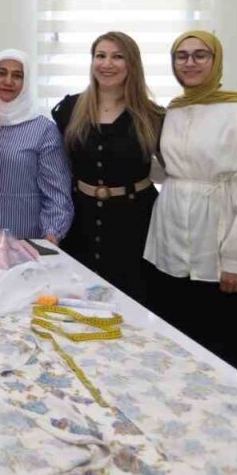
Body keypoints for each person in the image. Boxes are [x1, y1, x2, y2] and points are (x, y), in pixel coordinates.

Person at [144, 31, 237, 382]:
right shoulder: (173, 111)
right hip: (171, 247)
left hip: (220, 250)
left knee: (227, 356)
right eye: (181, 56)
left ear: (216, 61)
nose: (190, 63)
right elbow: (168, 169)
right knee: (177, 350)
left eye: (200, 55)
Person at [52, 31, 163, 305]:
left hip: (136, 222)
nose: (107, 64)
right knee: (79, 302)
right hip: (82, 221)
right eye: (100, 56)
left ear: (131, 64)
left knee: (134, 301)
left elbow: (174, 167)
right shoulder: (69, 109)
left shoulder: (153, 115)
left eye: (117, 57)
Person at [0, 49, 74, 243]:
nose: (8, 81)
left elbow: (57, 194)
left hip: (22, 241)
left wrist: (51, 235)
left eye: (17, 76)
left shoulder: (43, 129)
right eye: (1, 73)